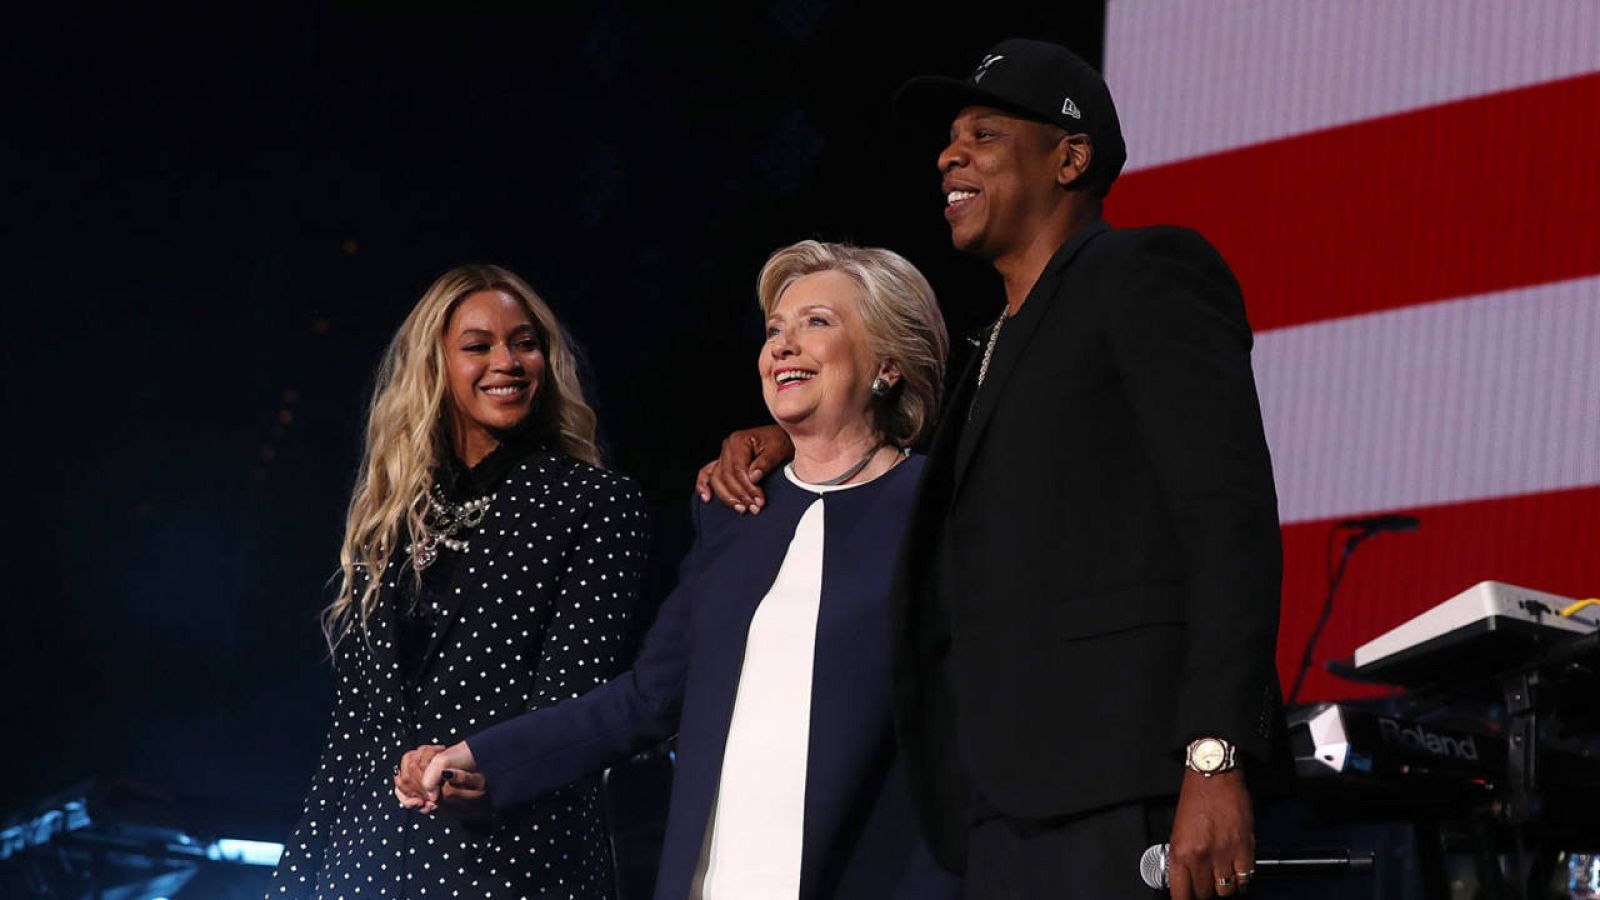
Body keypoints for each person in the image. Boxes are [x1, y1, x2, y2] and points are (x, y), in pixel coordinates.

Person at [701, 40, 1284, 900]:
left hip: (1128, 792)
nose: (948, 154)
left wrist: (1214, 755)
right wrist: (802, 438)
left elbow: (1227, 521)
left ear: (1070, 156)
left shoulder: (1144, 274)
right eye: (948, 139)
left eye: (985, 133)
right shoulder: (991, 349)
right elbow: (969, 504)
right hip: (999, 813)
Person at [394, 241, 960, 899]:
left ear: (888, 365)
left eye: (817, 322)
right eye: (774, 329)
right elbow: (646, 698)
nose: (782, 345)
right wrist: (479, 756)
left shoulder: (940, 508)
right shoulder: (737, 508)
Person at [267, 264, 650, 899]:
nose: (508, 361)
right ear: (435, 367)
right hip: (369, 861)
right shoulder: (392, 519)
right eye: (478, 346)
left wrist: (485, 772)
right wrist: (294, 883)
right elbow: (352, 736)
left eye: (525, 342)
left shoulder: (594, 503)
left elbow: (574, 703)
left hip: (512, 855)